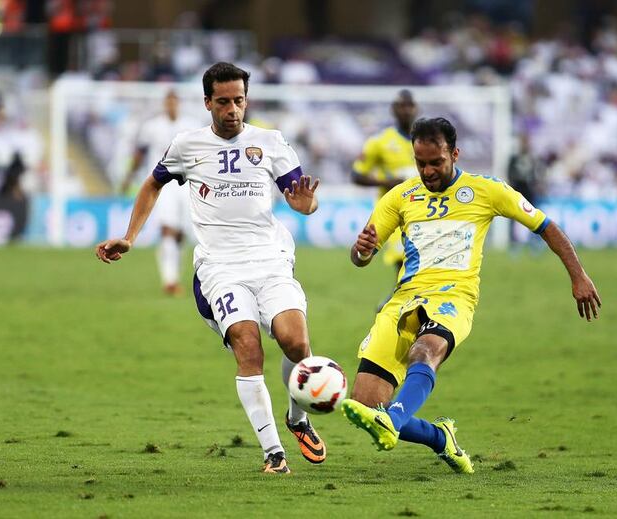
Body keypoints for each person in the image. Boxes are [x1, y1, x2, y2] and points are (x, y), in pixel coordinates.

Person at [95, 62, 327, 474]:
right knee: (248, 347)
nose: (233, 109)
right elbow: (152, 183)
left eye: (239, 100)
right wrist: (129, 236)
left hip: (270, 260)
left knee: (297, 344)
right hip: (221, 267)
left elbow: (302, 198)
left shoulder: (270, 142)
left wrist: (305, 204)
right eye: (223, 102)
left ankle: (298, 419)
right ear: (207, 103)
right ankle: (274, 453)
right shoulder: (187, 145)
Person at [342, 117, 601, 474]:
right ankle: (439, 437)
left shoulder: (487, 190)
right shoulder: (399, 196)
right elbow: (361, 257)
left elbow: (545, 226)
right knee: (366, 406)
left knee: (425, 351)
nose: (428, 171)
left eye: (436, 162)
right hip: (404, 299)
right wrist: (362, 250)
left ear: (455, 154)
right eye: (421, 163)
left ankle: (396, 418)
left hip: (454, 297)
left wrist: (579, 275)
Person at [120, 90, 199, 296]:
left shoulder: (191, 125)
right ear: (165, 104)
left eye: (174, 102)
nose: (171, 105)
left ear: (179, 104)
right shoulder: (152, 127)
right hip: (162, 184)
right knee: (167, 229)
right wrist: (129, 177)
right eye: (168, 102)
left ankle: (173, 275)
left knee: (181, 233)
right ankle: (169, 280)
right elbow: (140, 154)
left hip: (187, 184)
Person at [351, 89, 419, 286]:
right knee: (405, 269)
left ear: (416, 108)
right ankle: (392, 308)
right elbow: (357, 175)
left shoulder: (426, 140)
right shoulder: (380, 142)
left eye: (409, 105)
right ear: (393, 110)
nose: (406, 111)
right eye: (401, 106)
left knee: (418, 274)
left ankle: (391, 307)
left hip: (423, 212)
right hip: (395, 213)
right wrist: (386, 183)